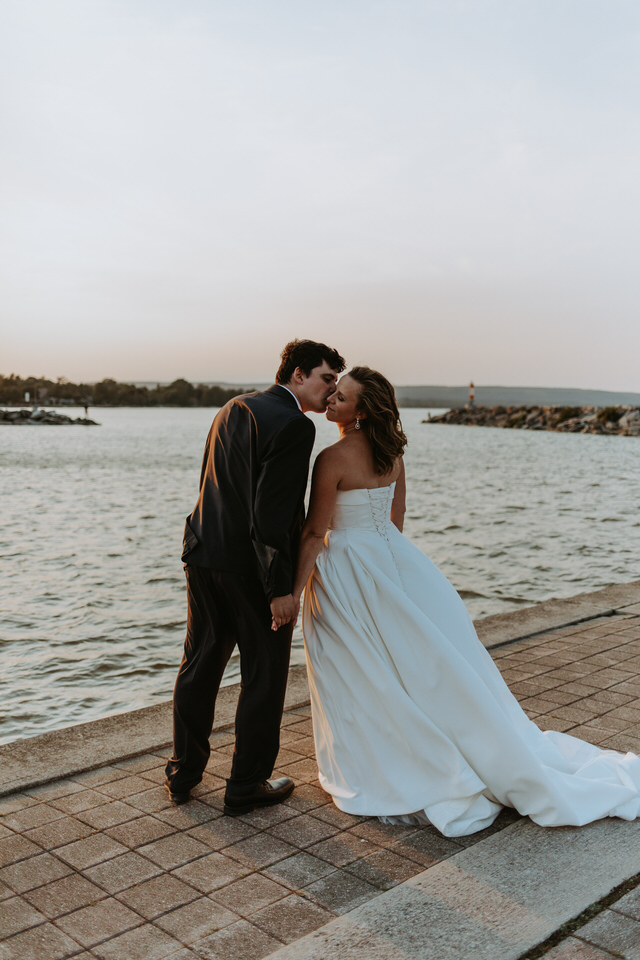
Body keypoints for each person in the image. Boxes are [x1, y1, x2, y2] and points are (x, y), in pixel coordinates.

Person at [292, 366, 640, 837]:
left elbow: (316, 531)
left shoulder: (331, 458)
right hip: (394, 562)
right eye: (332, 394)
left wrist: (294, 592)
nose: (331, 400)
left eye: (341, 396)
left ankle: (386, 765)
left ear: (363, 410)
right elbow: (396, 521)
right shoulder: (391, 454)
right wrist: (390, 576)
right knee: (417, 668)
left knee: (358, 671)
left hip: (345, 568)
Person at [164, 339, 345, 815]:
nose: (332, 390)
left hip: (203, 555)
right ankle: (246, 783)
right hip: (251, 571)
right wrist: (279, 590)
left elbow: (210, 482)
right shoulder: (294, 424)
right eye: (327, 378)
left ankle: (183, 771)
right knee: (263, 676)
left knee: (199, 664)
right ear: (299, 374)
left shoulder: (233, 406)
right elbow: (271, 516)